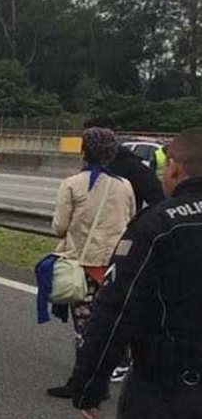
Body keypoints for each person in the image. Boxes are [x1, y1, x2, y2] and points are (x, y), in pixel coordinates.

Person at [62, 128, 202, 419]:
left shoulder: (158, 224)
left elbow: (116, 308)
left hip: (163, 379)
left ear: (176, 169)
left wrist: (89, 383)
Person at [44, 128, 136, 399]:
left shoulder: (72, 184)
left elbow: (59, 227)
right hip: (114, 266)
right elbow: (129, 219)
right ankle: (108, 370)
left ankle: (84, 381)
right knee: (107, 321)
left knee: (84, 325)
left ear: (84, 151)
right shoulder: (125, 185)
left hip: (83, 263)